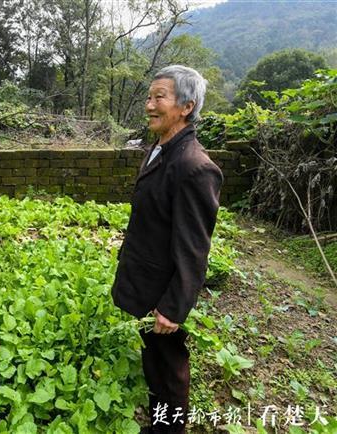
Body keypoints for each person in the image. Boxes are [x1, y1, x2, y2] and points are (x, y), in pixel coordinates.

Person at [111, 65, 223, 433]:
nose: (149, 105)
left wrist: (173, 309)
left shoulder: (194, 166)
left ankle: (171, 429)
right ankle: (161, 425)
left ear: (186, 106)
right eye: (149, 96)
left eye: (160, 97)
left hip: (164, 293)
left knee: (170, 371)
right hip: (146, 282)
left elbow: (194, 249)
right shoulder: (161, 149)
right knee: (154, 363)